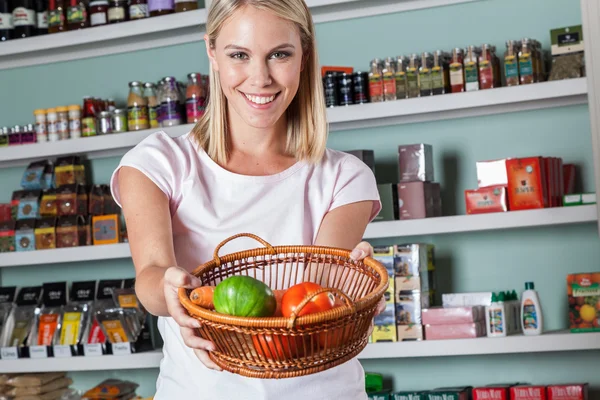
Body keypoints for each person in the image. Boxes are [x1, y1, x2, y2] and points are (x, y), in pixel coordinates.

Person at [109, 0, 383, 398]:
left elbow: (309, 304)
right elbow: (152, 275)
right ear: (212, 53)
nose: (260, 78)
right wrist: (171, 289)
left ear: (304, 56)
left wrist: (350, 295)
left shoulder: (345, 177)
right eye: (240, 54)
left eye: (280, 55)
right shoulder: (157, 164)